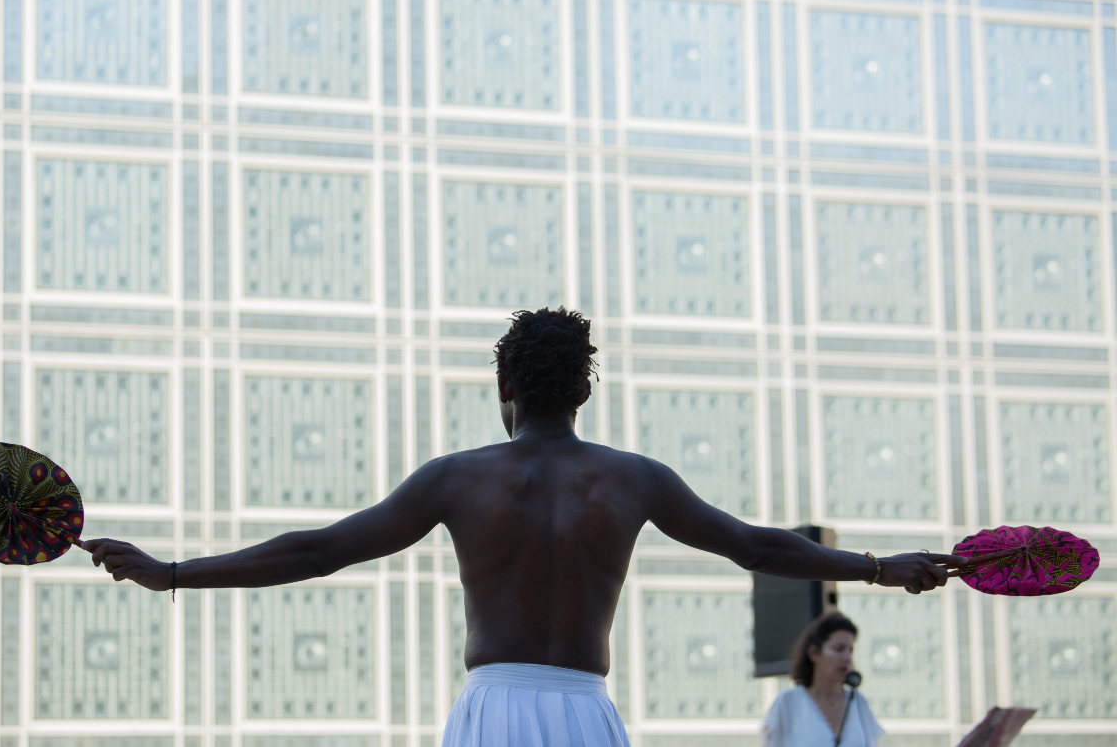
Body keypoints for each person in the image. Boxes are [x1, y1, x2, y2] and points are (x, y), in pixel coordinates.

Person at [83, 307, 965, 747]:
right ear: (583, 391)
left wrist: (172, 572)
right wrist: (884, 567)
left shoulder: (458, 480)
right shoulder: (632, 481)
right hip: (588, 712)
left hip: (492, 707)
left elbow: (317, 551)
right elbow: (762, 546)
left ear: (503, 386)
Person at [761, 613, 883, 747]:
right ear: (814, 653)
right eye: (839, 649)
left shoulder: (858, 702)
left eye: (850, 650)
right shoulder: (788, 702)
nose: (847, 658)